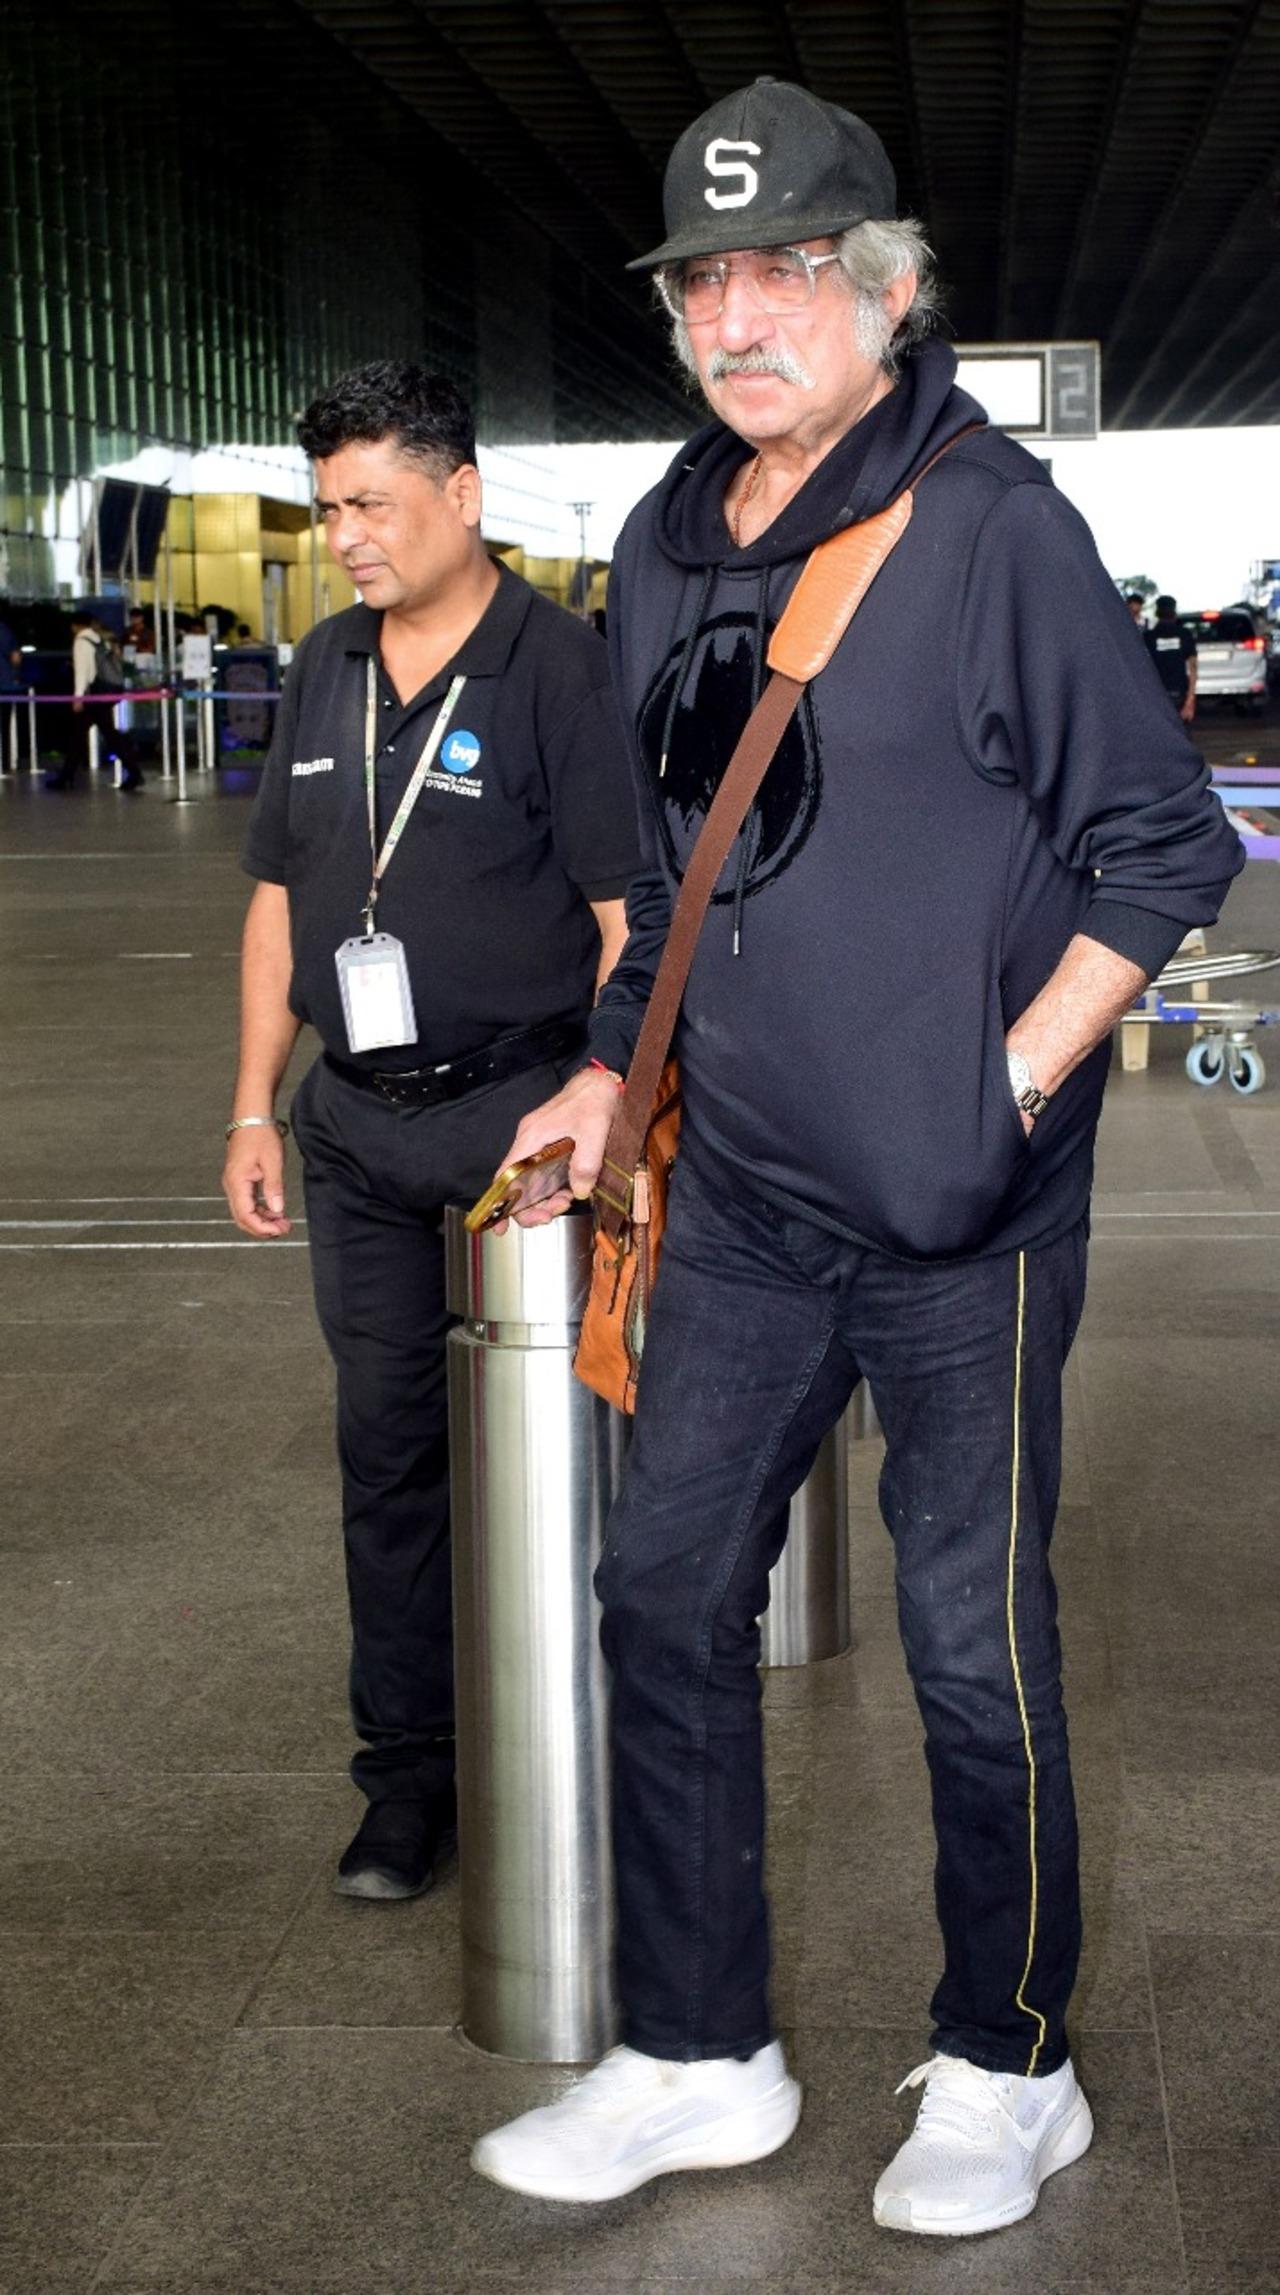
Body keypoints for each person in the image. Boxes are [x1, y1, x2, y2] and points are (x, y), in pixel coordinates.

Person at [472, 78, 1244, 2233]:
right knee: (657, 1589)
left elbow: (1164, 846)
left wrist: (1005, 1078)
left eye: (788, 272)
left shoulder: (988, 533)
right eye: (703, 279)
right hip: (737, 1199)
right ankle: (698, 2046)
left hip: (957, 1214)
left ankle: (1011, 2061)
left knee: (966, 1645)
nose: (740, 314)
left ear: (885, 296)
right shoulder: (656, 540)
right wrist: (610, 1069)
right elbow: (664, 864)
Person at [222, 362, 640, 1902]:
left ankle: (589, 1756)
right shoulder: (326, 663)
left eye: (371, 502)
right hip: (354, 1133)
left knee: (565, 1455)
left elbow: (624, 915)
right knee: (387, 1454)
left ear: (462, 496)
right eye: (328, 506)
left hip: (513, 1122)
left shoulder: (556, 671)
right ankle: (411, 1779)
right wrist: (252, 1103)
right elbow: (278, 900)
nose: (344, 534)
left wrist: (597, 1098)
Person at [47, 612, 143, 790]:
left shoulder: (81, 642)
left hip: (94, 694)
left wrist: (78, 697)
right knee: (96, 733)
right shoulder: (100, 639)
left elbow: (82, 672)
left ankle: (134, 772)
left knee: (90, 734)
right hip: (106, 692)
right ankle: (67, 775)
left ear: (74, 626)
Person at [1145, 594, 1198, 722]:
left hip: (1154, 693)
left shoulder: (1148, 637)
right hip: (1178, 692)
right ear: (1174, 612)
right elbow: (1193, 668)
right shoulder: (1184, 635)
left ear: (1157, 613)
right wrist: (1190, 700)